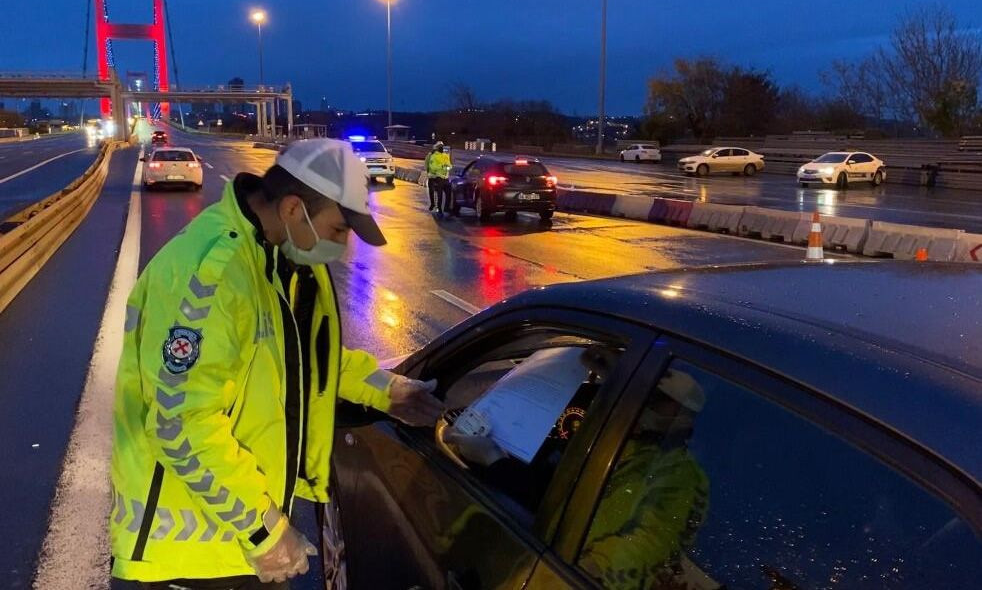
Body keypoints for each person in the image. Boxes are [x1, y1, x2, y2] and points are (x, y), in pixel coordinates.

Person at [109, 138, 444, 589]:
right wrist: (264, 531)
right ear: (292, 209)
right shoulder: (215, 275)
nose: (343, 248)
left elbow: (308, 358)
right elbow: (180, 424)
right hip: (187, 562)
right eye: (338, 230)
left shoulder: (273, 259)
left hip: (235, 542)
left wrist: (387, 390)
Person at [445, 368, 713, 590]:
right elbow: (555, 496)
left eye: (658, 401)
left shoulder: (681, 474)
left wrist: (579, 570)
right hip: (529, 553)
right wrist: (496, 462)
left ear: (684, 418)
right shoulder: (616, 441)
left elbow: (645, 546)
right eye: (646, 396)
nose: (644, 404)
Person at [427, 143, 453, 213]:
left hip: (445, 177)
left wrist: (448, 167)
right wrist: (442, 167)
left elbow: (449, 165)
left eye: (442, 147)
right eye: (440, 147)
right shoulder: (433, 156)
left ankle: (446, 207)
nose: (442, 148)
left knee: (449, 192)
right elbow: (432, 167)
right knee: (439, 192)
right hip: (437, 177)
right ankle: (438, 206)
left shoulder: (445, 156)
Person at [425, 142, 443, 210]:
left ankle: (434, 204)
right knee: (438, 191)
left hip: (434, 176)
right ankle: (437, 205)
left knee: (434, 191)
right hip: (436, 176)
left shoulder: (431, 155)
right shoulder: (431, 155)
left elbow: (426, 164)